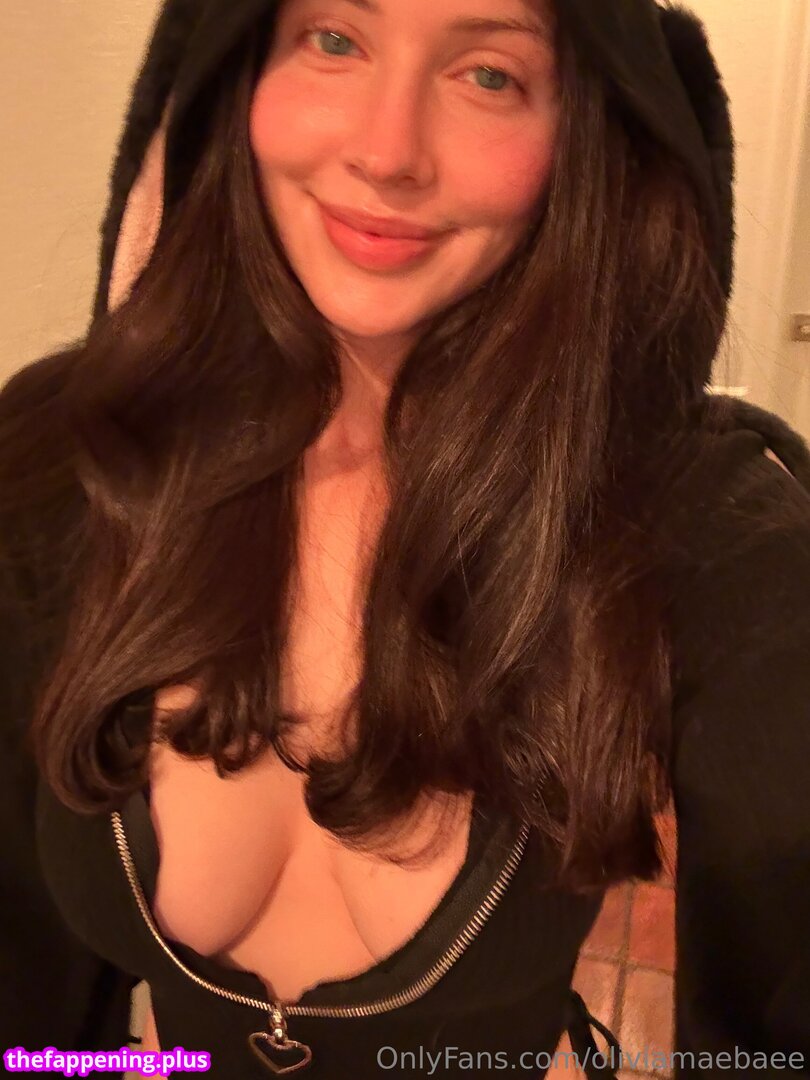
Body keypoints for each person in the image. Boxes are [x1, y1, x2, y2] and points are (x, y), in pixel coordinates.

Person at [1, 0, 809, 1077]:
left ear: (586, 131)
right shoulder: (74, 458)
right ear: (234, 69)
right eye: (335, 38)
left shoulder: (689, 519)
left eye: (490, 75)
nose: (387, 153)